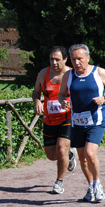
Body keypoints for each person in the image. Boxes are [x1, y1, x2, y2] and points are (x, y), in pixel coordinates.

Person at [58, 44, 105, 202]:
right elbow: (61, 94)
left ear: (87, 58)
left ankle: (97, 184)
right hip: (77, 122)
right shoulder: (69, 75)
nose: (77, 62)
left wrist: (104, 98)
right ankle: (91, 186)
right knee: (82, 158)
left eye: (80, 59)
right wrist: (64, 102)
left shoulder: (99, 72)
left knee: (90, 153)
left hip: (96, 120)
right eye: (73, 59)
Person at [31, 46, 77, 194]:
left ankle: (59, 182)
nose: (54, 62)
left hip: (68, 118)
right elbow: (36, 92)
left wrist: (72, 103)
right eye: (52, 59)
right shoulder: (43, 73)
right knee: (51, 156)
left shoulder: (72, 74)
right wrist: (37, 101)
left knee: (62, 148)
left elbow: (82, 93)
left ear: (65, 59)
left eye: (57, 59)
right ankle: (70, 155)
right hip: (49, 120)